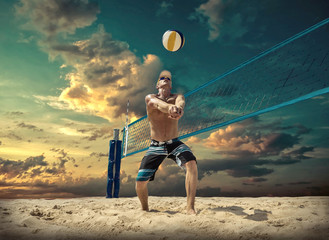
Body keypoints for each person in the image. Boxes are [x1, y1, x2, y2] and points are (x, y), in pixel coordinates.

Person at [135, 70, 198, 214]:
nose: (165, 79)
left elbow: (180, 102)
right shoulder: (150, 98)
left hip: (174, 143)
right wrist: (171, 109)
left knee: (192, 164)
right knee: (140, 182)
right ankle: (145, 209)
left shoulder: (177, 97)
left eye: (168, 78)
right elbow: (157, 105)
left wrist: (179, 109)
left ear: (171, 85)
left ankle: (190, 208)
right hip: (156, 145)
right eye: (162, 78)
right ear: (157, 84)